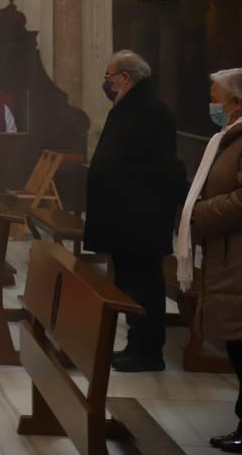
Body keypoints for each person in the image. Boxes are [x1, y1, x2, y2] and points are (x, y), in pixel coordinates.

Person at [84, 49, 185, 372]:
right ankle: (135, 345)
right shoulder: (132, 107)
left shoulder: (150, 111)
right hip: (126, 220)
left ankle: (148, 352)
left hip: (139, 221)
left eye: (108, 77)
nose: (107, 83)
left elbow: (154, 170)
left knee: (144, 286)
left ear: (124, 77)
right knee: (129, 285)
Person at [176, 68, 242, 451]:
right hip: (229, 256)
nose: (212, 105)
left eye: (216, 97)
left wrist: (201, 213)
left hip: (241, 258)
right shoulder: (229, 138)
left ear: (237, 102)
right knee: (239, 344)